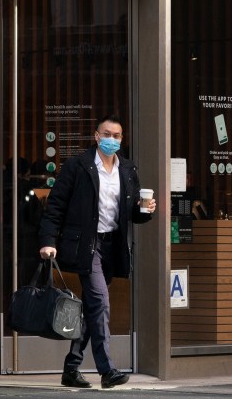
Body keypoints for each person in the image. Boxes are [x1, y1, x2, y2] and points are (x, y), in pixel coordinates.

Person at [38, 114, 156, 389]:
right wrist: (48, 240)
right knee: (100, 302)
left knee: (93, 308)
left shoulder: (127, 169)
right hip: (85, 246)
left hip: (111, 247)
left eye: (116, 136)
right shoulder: (77, 166)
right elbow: (55, 206)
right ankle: (107, 370)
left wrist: (145, 211)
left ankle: (71, 368)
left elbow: (130, 214)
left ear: (121, 139)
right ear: (96, 135)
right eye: (107, 134)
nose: (111, 140)